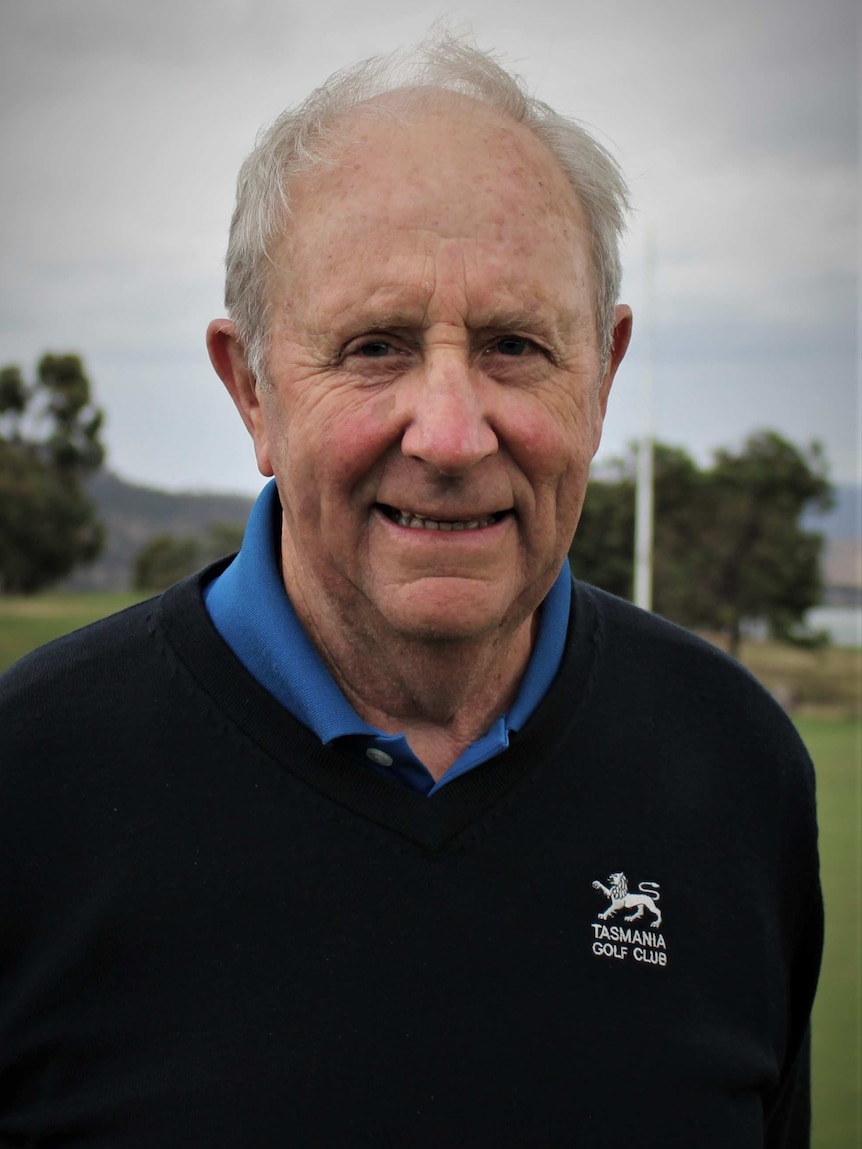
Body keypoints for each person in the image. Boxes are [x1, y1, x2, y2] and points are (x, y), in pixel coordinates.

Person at [0, 31, 822, 1148]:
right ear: (251, 391)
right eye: (376, 346)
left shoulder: (738, 770)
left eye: (516, 346)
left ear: (605, 375)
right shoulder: (29, 781)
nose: (448, 433)